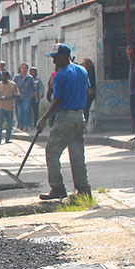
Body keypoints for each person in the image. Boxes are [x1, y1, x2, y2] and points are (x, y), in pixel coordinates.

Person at [37, 43, 92, 201]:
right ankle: (84, 190)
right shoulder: (82, 71)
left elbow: (57, 101)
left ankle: (57, 188)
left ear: (64, 56)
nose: (54, 61)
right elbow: (87, 91)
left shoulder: (60, 76)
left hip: (65, 117)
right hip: (79, 116)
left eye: (55, 57)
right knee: (77, 155)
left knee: (52, 153)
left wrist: (44, 119)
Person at [0, 70, 19, 143]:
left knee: (9, 124)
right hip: (1, 107)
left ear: (8, 77)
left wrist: (9, 97)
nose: (3, 77)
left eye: (5, 76)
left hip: (10, 107)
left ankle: (7, 139)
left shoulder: (13, 84)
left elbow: (17, 94)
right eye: (2, 76)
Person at [13, 62, 37, 133]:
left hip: (27, 97)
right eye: (22, 68)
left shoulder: (30, 78)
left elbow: (34, 88)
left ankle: (26, 125)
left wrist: (36, 96)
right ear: (20, 69)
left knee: (26, 111)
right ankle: (20, 124)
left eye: (25, 68)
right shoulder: (16, 77)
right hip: (18, 97)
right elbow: (13, 86)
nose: (24, 69)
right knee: (19, 111)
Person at [80, 57, 97, 132]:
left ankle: (84, 126)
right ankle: (84, 126)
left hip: (88, 94)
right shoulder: (88, 72)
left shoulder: (89, 73)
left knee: (85, 109)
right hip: (87, 93)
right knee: (85, 110)